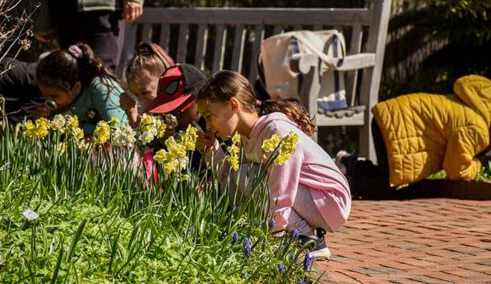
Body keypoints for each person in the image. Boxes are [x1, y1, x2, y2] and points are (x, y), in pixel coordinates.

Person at [195, 70, 351, 260]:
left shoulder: (276, 130)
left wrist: (273, 233)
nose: (208, 125)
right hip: (311, 199)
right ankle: (290, 233)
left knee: (250, 174)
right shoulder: (245, 137)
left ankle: (307, 240)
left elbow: (282, 188)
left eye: (210, 116)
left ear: (233, 104)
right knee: (241, 175)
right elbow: (229, 178)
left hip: (329, 200)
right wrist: (213, 150)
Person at [371, 74, 491, 189]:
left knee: (383, 180)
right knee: (382, 188)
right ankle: (348, 170)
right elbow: (455, 172)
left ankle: (349, 169)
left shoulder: (469, 109)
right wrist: (479, 162)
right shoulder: (478, 130)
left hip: (387, 119)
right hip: (394, 128)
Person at [34, 43, 127, 134]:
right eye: (44, 94)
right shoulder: (59, 100)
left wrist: (80, 127)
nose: (48, 101)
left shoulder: (101, 89)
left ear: (76, 88)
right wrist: (44, 121)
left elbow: (118, 131)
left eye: (53, 96)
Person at [145, 63, 208, 170]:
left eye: (177, 111)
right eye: (166, 112)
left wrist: (208, 151)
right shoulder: (176, 130)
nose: (173, 118)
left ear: (198, 99)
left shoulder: (217, 129)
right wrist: (164, 144)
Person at [119, 42, 174, 126]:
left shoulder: (178, 113)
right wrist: (132, 117)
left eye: (144, 92)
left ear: (164, 80)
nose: (141, 102)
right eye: (136, 95)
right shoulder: (150, 112)